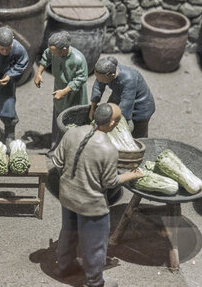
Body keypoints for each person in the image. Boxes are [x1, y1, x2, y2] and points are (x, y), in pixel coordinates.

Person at [50, 103, 144, 287]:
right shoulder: (108, 149)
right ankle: (94, 281)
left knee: (68, 232)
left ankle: (64, 267)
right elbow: (110, 183)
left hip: (67, 196)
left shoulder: (72, 133)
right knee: (95, 244)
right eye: (117, 120)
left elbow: (57, 162)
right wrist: (130, 175)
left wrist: (73, 180)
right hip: (91, 205)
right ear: (111, 124)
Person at [33, 31, 88, 155]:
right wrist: (39, 73)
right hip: (59, 88)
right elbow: (46, 56)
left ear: (64, 49)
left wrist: (64, 91)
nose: (52, 53)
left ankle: (72, 148)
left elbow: (81, 78)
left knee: (73, 119)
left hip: (74, 92)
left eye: (54, 51)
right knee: (58, 116)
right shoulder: (54, 52)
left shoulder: (78, 59)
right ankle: (56, 145)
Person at [89, 56, 155, 138]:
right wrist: (93, 108)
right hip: (118, 97)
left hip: (141, 106)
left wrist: (115, 123)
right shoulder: (104, 73)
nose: (98, 80)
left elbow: (126, 103)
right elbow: (98, 87)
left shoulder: (129, 79)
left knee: (138, 135)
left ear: (111, 75)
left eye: (100, 79)